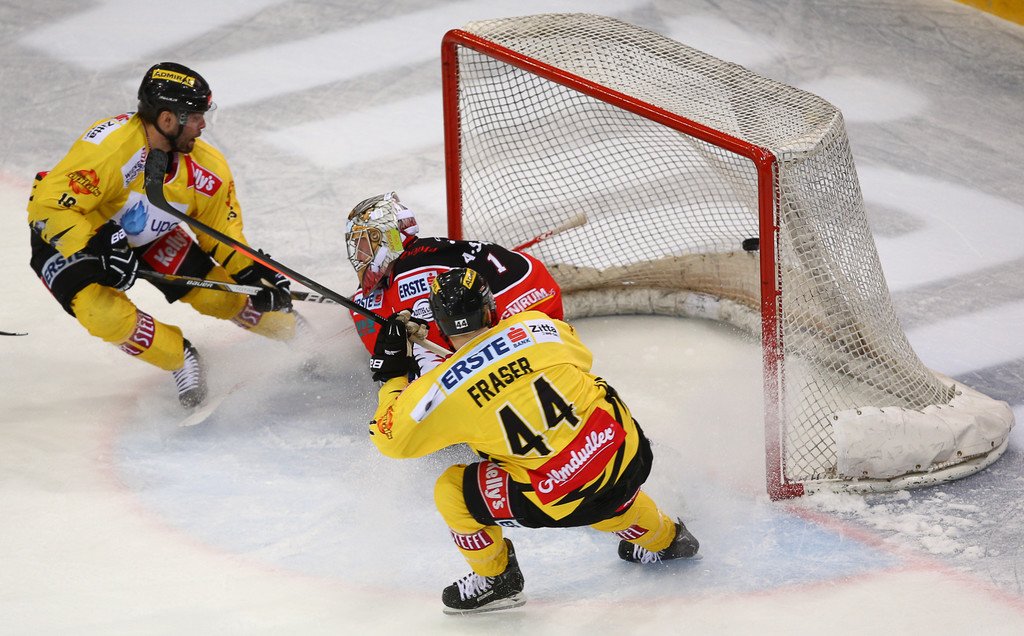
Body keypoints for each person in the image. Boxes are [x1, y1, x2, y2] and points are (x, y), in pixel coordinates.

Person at [366, 267, 700, 614]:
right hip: (628, 451)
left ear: (440, 323)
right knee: (596, 471)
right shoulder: (535, 325)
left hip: (566, 495)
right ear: (489, 309)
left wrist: (393, 377)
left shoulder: (437, 392)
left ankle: (498, 580)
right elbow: (581, 358)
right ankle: (667, 538)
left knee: (452, 491)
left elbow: (391, 441)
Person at [27, 62, 295, 408]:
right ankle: (180, 358)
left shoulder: (207, 168)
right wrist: (93, 244)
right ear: (167, 119)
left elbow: (221, 230)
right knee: (102, 314)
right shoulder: (111, 148)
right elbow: (48, 207)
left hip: (146, 235)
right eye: (195, 117)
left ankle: (295, 331)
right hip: (76, 235)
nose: (202, 125)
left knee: (219, 296)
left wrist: (251, 271)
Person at [345, 191, 563, 374]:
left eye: (362, 244)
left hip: (533, 316)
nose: (359, 255)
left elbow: (433, 364)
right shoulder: (412, 262)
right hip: (536, 301)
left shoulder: (415, 270)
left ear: (386, 238)